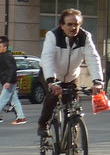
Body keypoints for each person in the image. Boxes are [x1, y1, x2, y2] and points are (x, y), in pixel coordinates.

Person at [38, 9, 103, 139]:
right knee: (53, 97)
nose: (73, 27)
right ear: (62, 25)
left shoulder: (85, 36)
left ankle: (72, 140)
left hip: (71, 76)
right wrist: (51, 81)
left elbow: (93, 58)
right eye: (69, 24)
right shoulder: (53, 36)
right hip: (51, 74)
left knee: (72, 104)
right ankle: (43, 124)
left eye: (76, 24)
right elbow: (47, 58)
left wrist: (98, 82)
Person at [0, 35, 27, 125]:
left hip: (9, 82)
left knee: (2, 100)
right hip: (10, 81)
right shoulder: (4, 56)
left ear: (5, 47)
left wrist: (8, 81)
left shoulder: (8, 56)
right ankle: (21, 117)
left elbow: (12, 69)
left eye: (0, 46)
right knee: (15, 100)